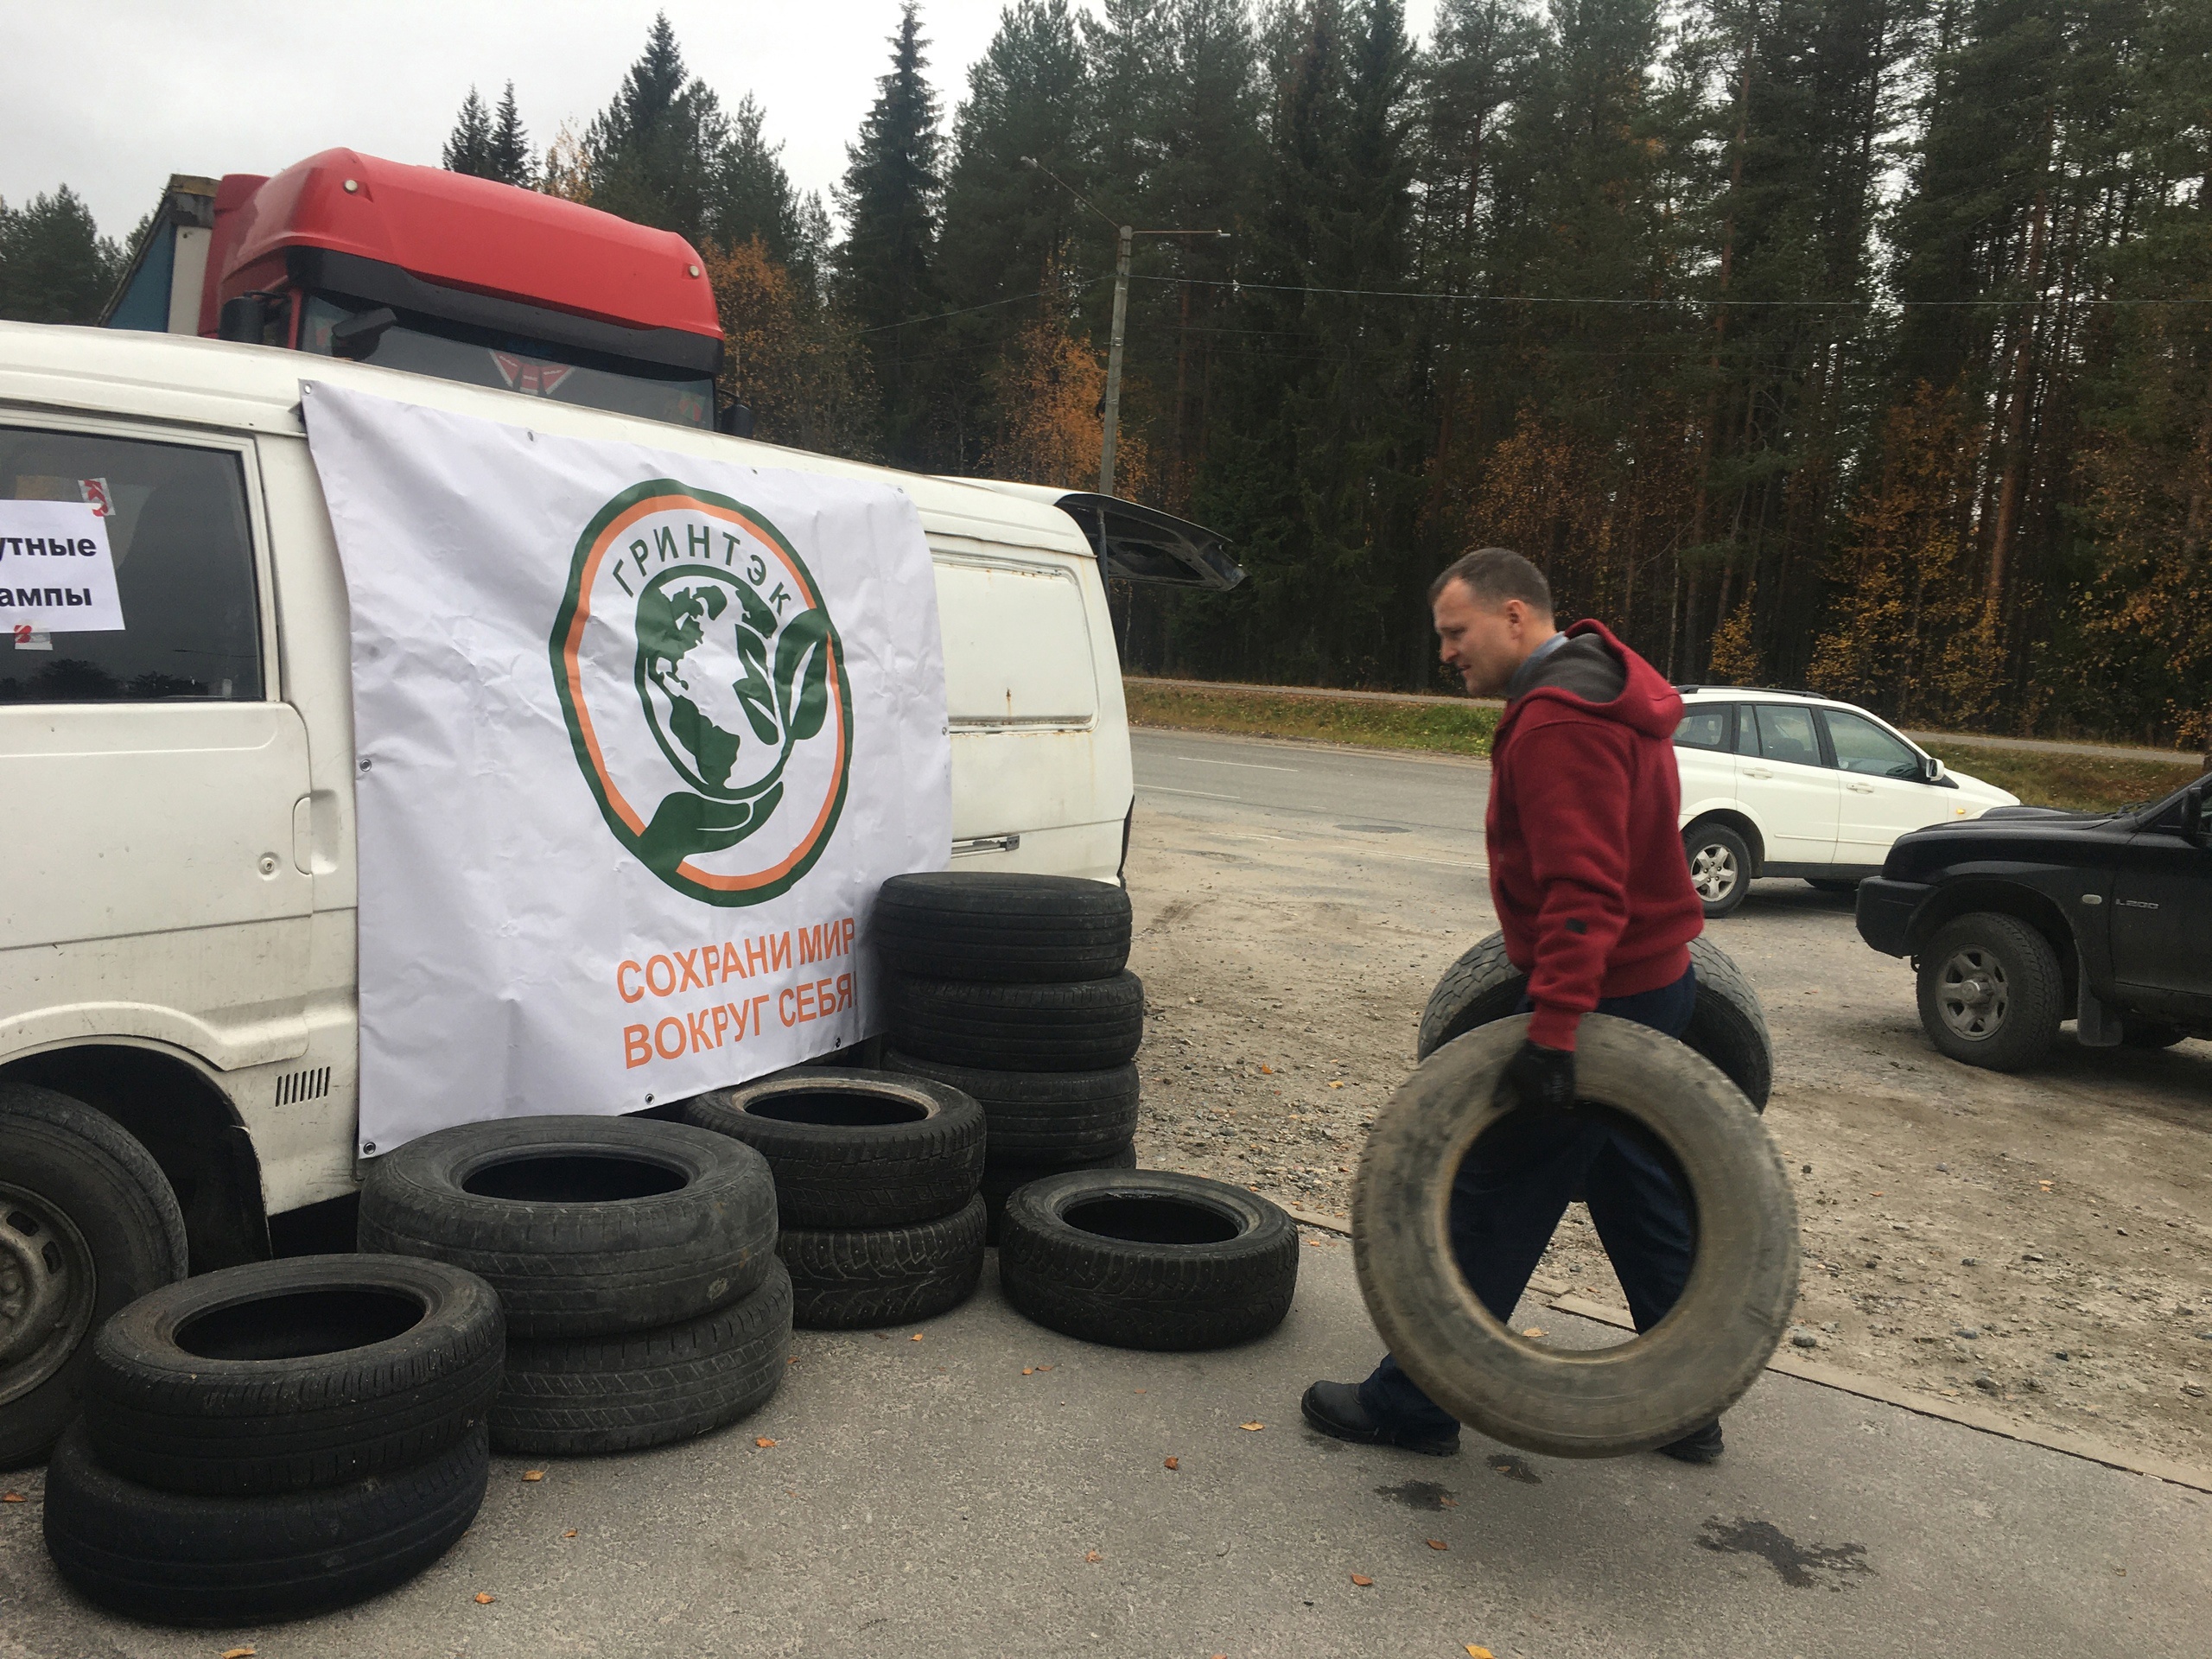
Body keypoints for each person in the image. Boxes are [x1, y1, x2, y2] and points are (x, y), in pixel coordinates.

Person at [1300, 547, 1721, 1463]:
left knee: (1497, 1187)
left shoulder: (1558, 723)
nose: (1446, 652)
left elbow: (1583, 890)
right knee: (1630, 1181)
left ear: (1516, 617)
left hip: (1602, 1000)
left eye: (1457, 632)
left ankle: (1411, 1403)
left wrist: (1556, 1029)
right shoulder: (1602, 687)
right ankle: (1687, 1406)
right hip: (1655, 984)